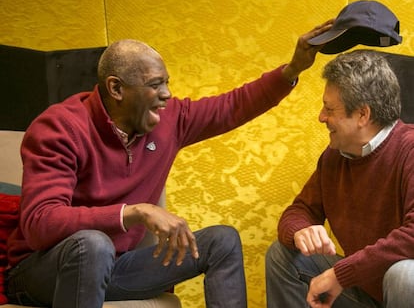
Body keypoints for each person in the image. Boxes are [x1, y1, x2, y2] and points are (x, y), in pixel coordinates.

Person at [5, 20, 333, 308]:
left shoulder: (169, 119)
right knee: (93, 244)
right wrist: (133, 211)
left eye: (167, 82)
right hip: (43, 273)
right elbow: (40, 223)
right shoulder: (60, 128)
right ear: (116, 88)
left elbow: (232, 106)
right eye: (155, 84)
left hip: (115, 267)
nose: (167, 94)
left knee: (221, 240)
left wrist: (293, 69)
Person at [265, 49, 414, 308]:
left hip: (402, 292)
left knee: (405, 276)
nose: (321, 117)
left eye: (329, 108)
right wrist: (301, 231)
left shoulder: (410, 148)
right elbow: (299, 210)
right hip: (367, 293)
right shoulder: (335, 157)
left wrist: (341, 273)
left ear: (362, 115)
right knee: (281, 255)